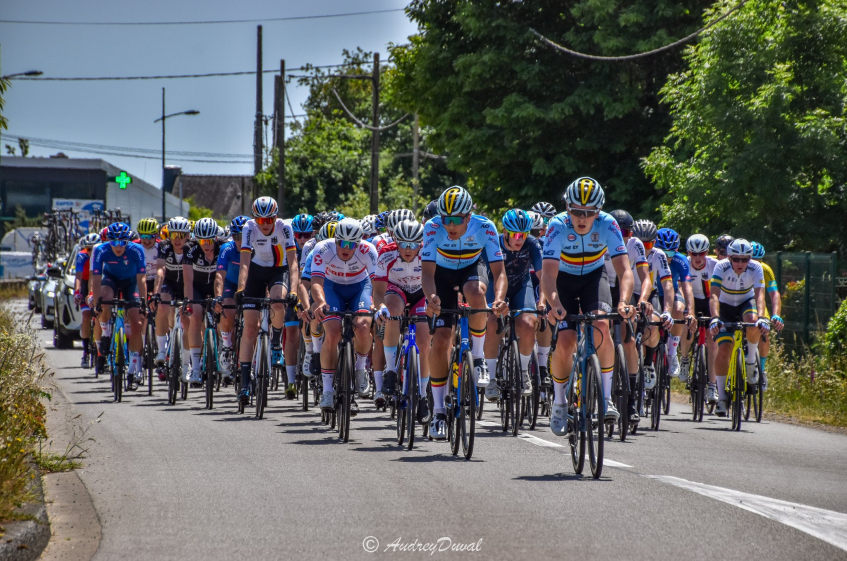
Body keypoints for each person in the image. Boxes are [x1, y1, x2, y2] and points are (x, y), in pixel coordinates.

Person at [540, 177, 635, 433]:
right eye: (576, 211)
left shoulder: (608, 224)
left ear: (599, 211)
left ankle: (605, 399)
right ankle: (559, 403)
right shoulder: (556, 225)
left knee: (602, 325)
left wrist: (624, 302)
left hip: (594, 277)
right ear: (567, 208)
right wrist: (555, 303)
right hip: (564, 281)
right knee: (566, 340)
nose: (582, 217)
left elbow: (625, 271)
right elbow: (548, 275)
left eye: (590, 212)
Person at [421, 186, 508, 440]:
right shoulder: (433, 228)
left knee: (476, 291)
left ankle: (479, 358)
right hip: (442, 275)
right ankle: (438, 412)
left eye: (457, 219)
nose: (450, 225)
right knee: (441, 342)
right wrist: (431, 297)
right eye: (446, 219)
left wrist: (500, 299)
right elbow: (427, 274)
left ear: (469, 216)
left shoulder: (485, 227)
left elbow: (499, 272)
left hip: (472, 266)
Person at [235, 196, 299, 406]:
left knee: (278, 302)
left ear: (275, 217)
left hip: (278, 271)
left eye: (269, 219)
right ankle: (244, 382)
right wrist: (241, 288)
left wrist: (295, 290)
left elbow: (293, 263)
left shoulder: (285, 228)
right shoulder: (248, 228)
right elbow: (244, 262)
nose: (265, 224)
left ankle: (276, 344)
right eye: (260, 221)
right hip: (255, 271)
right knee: (250, 329)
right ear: (255, 219)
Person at [310, 218, 377, 414]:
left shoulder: (368, 250)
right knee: (331, 333)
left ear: (359, 243)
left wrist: (376, 304)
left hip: (359, 287)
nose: (345, 248)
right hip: (332, 288)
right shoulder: (323, 249)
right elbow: (316, 282)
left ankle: (360, 368)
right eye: (341, 243)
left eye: (351, 244)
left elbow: (376, 282)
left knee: (364, 326)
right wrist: (321, 303)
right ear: (335, 240)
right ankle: (328, 390)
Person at [482, 209, 543, 402]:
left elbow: (544, 277)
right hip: (494, 284)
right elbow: (481, 275)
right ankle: (491, 378)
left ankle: (524, 372)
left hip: (520, 285)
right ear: (505, 232)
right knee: (492, 321)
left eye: (524, 234)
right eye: (516, 234)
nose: (520, 239)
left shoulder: (532, 244)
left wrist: (542, 300)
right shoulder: (493, 243)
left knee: (528, 323)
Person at [373, 219, 431, 419]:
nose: (408, 249)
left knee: (424, 344)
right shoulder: (386, 254)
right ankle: (390, 371)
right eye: (404, 244)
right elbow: (378, 291)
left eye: (414, 244)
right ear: (396, 242)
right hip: (396, 291)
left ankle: (423, 396)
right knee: (392, 313)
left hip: (421, 293)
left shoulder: (428, 254)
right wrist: (380, 308)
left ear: (421, 244)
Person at [709, 238, 769, 417]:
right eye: (737, 259)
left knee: (753, 320)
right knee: (725, 348)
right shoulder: (720, 266)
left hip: (745, 302)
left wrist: (762, 317)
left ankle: (751, 361)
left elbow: (759, 296)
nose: (741, 263)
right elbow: (713, 295)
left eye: (745, 259)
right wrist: (714, 318)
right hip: (725, 306)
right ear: (729, 257)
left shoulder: (755, 268)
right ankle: (721, 397)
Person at [606, 210, 653, 423]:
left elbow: (645, 278)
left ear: (631, 232)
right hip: (604, 289)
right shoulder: (600, 240)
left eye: (626, 232)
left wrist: (643, 299)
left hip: (626, 292)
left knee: (630, 341)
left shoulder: (635, 245)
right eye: (618, 231)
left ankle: (632, 400)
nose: (622, 235)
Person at [89, 222, 147, 388]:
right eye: (114, 242)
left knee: (136, 323)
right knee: (105, 298)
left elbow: (142, 279)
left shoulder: (137, 250)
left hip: (131, 282)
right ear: (109, 241)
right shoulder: (101, 250)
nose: (118, 246)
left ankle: (134, 369)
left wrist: (143, 302)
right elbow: (96, 278)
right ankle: (106, 334)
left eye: (122, 242)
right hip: (110, 280)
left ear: (127, 241)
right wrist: (96, 301)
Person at [183, 218, 222, 386]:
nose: (206, 244)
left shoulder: (222, 247)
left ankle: (222, 356)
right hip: (197, 287)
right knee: (196, 316)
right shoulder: (190, 249)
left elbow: (224, 277)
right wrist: (189, 303)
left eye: (210, 240)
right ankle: (196, 367)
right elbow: (188, 280)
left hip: (215, 286)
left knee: (224, 316)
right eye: (202, 240)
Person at [654, 228, 696, 379]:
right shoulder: (650, 256)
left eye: (670, 253)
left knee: (679, 310)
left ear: (676, 251)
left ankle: (672, 353)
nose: (666, 256)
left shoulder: (681, 260)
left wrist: (690, 312)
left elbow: (687, 287)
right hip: (654, 293)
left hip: (672, 293)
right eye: (662, 252)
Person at [153, 217, 192, 376]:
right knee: (162, 306)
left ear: (188, 235)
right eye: (173, 234)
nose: (177, 239)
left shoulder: (192, 248)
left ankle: (187, 362)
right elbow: (160, 270)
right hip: (169, 282)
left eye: (181, 235)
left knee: (188, 319)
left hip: (186, 284)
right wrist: (155, 292)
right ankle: (162, 351)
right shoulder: (164, 246)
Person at [684, 234, 720, 403]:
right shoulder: (684, 264)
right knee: (686, 325)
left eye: (702, 253)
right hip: (691, 301)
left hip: (709, 301)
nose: (698, 258)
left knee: (713, 340)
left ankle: (712, 386)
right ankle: (684, 359)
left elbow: (719, 294)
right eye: (693, 254)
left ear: (707, 252)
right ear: (688, 253)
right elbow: (681, 291)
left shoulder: (716, 265)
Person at [214, 216, 249, 383]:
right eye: (236, 237)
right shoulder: (227, 249)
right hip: (231, 283)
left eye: (244, 237)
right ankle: (227, 346)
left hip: (250, 285)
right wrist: (219, 297)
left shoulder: (256, 248)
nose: (240, 241)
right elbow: (220, 276)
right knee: (227, 309)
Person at [750, 241, 784, 390]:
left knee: (764, 332)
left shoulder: (765, 269)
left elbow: (774, 293)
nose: (756, 264)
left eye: (759, 261)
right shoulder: (738, 267)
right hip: (742, 303)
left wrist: (776, 315)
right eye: (752, 261)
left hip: (759, 304)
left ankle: (761, 370)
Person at [74, 233, 100, 368]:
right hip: (85, 284)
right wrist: (77, 292)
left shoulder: (102, 254)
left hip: (97, 282)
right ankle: (85, 352)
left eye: (94, 248)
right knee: (86, 316)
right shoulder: (81, 256)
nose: (91, 252)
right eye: (88, 249)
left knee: (100, 315)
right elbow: (78, 276)